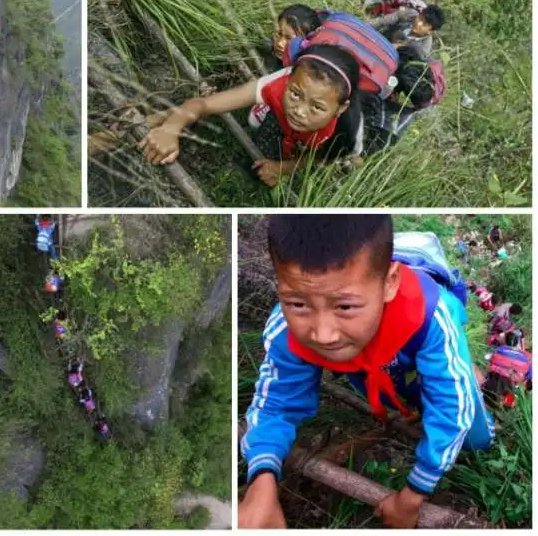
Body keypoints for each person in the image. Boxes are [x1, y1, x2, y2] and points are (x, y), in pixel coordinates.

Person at [239, 216, 495, 529]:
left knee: (477, 439)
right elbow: (275, 404)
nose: (323, 333)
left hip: (412, 336)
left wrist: (411, 497)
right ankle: (426, 373)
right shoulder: (286, 330)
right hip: (365, 351)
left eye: (344, 307)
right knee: (391, 386)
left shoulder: (431, 315)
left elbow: (452, 413)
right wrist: (261, 481)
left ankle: (459, 366)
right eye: (297, 303)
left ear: (390, 283)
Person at [142, 44, 365, 188]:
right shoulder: (277, 83)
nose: (299, 110)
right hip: (285, 118)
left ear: (340, 108)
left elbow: (320, 158)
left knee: (328, 153)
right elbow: (204, 104)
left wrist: (283, 168)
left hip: (329, 146)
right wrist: (171, 127)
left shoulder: (345, 131)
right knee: (266, 142)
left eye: (316, 107)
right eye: (295, 94)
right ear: (288, 80)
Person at [360, 47, 444, 154]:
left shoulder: (410, 81)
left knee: (383, 142)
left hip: (399, 106)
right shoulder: (414, 66)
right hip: (401, 104)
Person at [375, 5, 445, 60]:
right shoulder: (409, 14)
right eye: (420, 18)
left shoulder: (423, 49)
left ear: (430, 31)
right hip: (378, 41)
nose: (419, 23)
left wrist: (400, 46)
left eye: (424, 24)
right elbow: (381, 21)